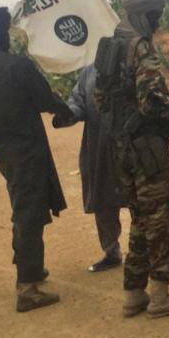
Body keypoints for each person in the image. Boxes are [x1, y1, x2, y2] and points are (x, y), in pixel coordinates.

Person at [94, 0, 169, 319]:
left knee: (140, 220)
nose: (158, 23)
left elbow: (100, 100)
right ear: (141, 15)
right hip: (146, 150)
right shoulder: (141, 48)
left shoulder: (111, 46)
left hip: (120, 148)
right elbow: (151, 103)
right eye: (155, 16)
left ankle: (133, 294)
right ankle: (160, 296)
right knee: (160, 223)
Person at [0, 1, 72, 313]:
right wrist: (66, 111)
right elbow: (44, 98)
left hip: (5, 148)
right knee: (30, 212)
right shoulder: (17, 66)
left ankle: (31, 267)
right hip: (28, 147)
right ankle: (27, 286)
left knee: (23, 205)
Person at [54, 63, 125, 273]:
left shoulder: (132, 64)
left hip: (130, 146)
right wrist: (66, 114)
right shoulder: (90, 71)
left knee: (140, 199)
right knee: (102, 198)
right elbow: (78, 102)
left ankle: (145, 253)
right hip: (99, 146)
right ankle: (111, 251)